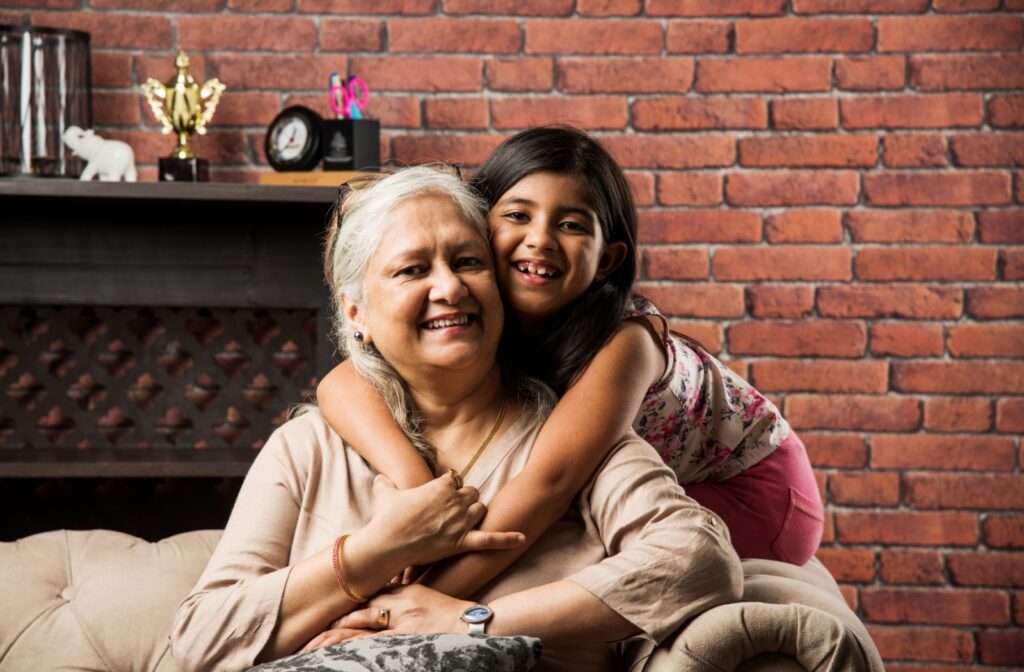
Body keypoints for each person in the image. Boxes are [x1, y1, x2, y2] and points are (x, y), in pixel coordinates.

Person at [170, 166, 743, 670]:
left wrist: (472, 620)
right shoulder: (307, 448)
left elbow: (702, 563)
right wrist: (376, 551)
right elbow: (199, 640)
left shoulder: (577, 441)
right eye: (411, 270)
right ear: (356, 314)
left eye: (468, 261)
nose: (448, 287)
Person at [316, 127, 824, 602]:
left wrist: (408, 604)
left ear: (607, 259)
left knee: (576, 553)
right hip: (639, 477)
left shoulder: (629, 343)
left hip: (755, 489)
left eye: (571, 225)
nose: (540, 238)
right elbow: (340, 383)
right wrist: (419, 490)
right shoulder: (475, 305)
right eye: (517, 216)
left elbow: (548, 485)